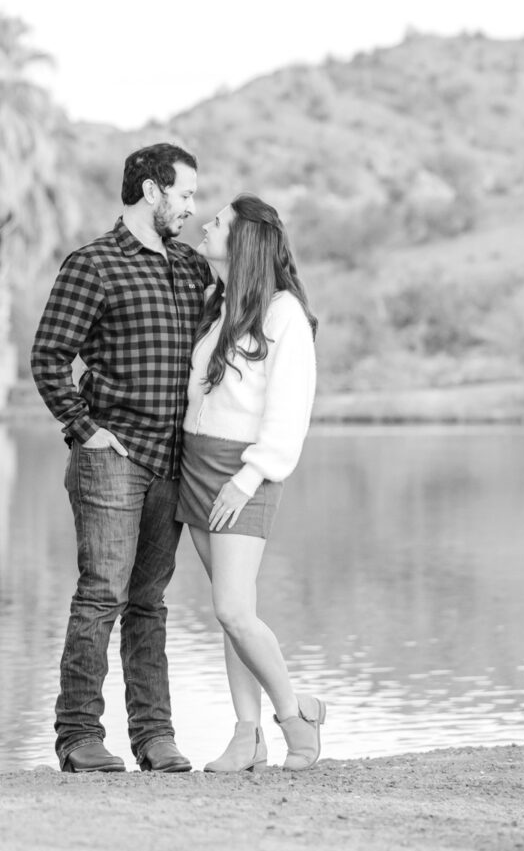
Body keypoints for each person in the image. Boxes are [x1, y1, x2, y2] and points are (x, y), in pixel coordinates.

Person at [30, 142, 211, 773]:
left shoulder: (191, 268)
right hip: (112, 454)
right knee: (100, 594)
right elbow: (49, 356)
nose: (191, 207)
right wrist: (84, 429)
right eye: (185, 194)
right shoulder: (94, 264)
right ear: (154, 191)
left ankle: (154, 737)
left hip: (173, 458)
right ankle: (79, 735)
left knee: (149, 603)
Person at [178, 193, 324, 772]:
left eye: (218, 222)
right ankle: (247, 734)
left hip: (244, 472)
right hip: (196, 464)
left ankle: (296, 715)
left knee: (235, 608)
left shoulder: (283, 312)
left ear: (244, 241)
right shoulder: (218, 305)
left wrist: (250, 475)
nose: (205, 224)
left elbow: (290, 411)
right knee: (228, 611)